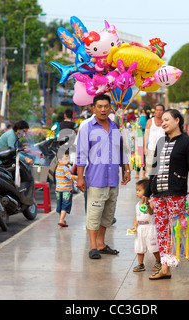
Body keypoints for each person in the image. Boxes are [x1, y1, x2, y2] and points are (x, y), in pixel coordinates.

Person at [142, 109, 189, 280]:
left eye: (167, 119)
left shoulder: (187, 143)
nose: (163, 122)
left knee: (180, 230)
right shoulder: (160, 142)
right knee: (161, 231)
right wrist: (147, 192)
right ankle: (165, 268)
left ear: (177, 120)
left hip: (176, 193)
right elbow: (153, 170)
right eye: (162, 120)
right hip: (158, 194)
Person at [76, 94, 131, 260]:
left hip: (113, 178)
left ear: (110, 108)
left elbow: (121, 150)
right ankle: (93, 246)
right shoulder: (87, 127)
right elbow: (81, 154)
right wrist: (80, 177)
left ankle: (101, 243)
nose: (103, 109)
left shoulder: (114, 127)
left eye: (106, 106)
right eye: (99, 106)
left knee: (108, 214)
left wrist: (126, 169)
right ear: (93, 108)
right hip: (96, 179)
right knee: (94, 213)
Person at [129, 179, 161, 273]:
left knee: (153, 247)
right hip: (140, 229)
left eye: (139, 190)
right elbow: (136, 215)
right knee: (139, 247)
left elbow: (151, 213)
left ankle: (159, 261)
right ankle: (140, 264)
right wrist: (135, 225)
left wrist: (148, 206)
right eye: (136, 190)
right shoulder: (137, 204)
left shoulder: (151, 202)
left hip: (150, 227)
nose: (137, 193)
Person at [55, 151, 77, 227]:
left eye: (69, 158)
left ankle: (61, 219)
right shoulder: (65, 168)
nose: (68, 160)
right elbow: (69, 176)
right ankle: (61, 220)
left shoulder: (58, 167)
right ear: (59, 160)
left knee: (59, 205)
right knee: (65, 205)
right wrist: (77, 177)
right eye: (66, 159)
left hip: (58, 190)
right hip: (66, 190)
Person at [144, 103, 165, 175]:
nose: (158, 112)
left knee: (161, 170)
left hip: (162, 149)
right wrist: (144, 147)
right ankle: (150, 184)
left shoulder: (165, 122)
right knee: (149, 170)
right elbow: (146, 135)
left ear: (163, 111)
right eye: (157, 110)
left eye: (160, 110)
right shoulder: (150, 121)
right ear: (155, 111)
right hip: (151, 148)